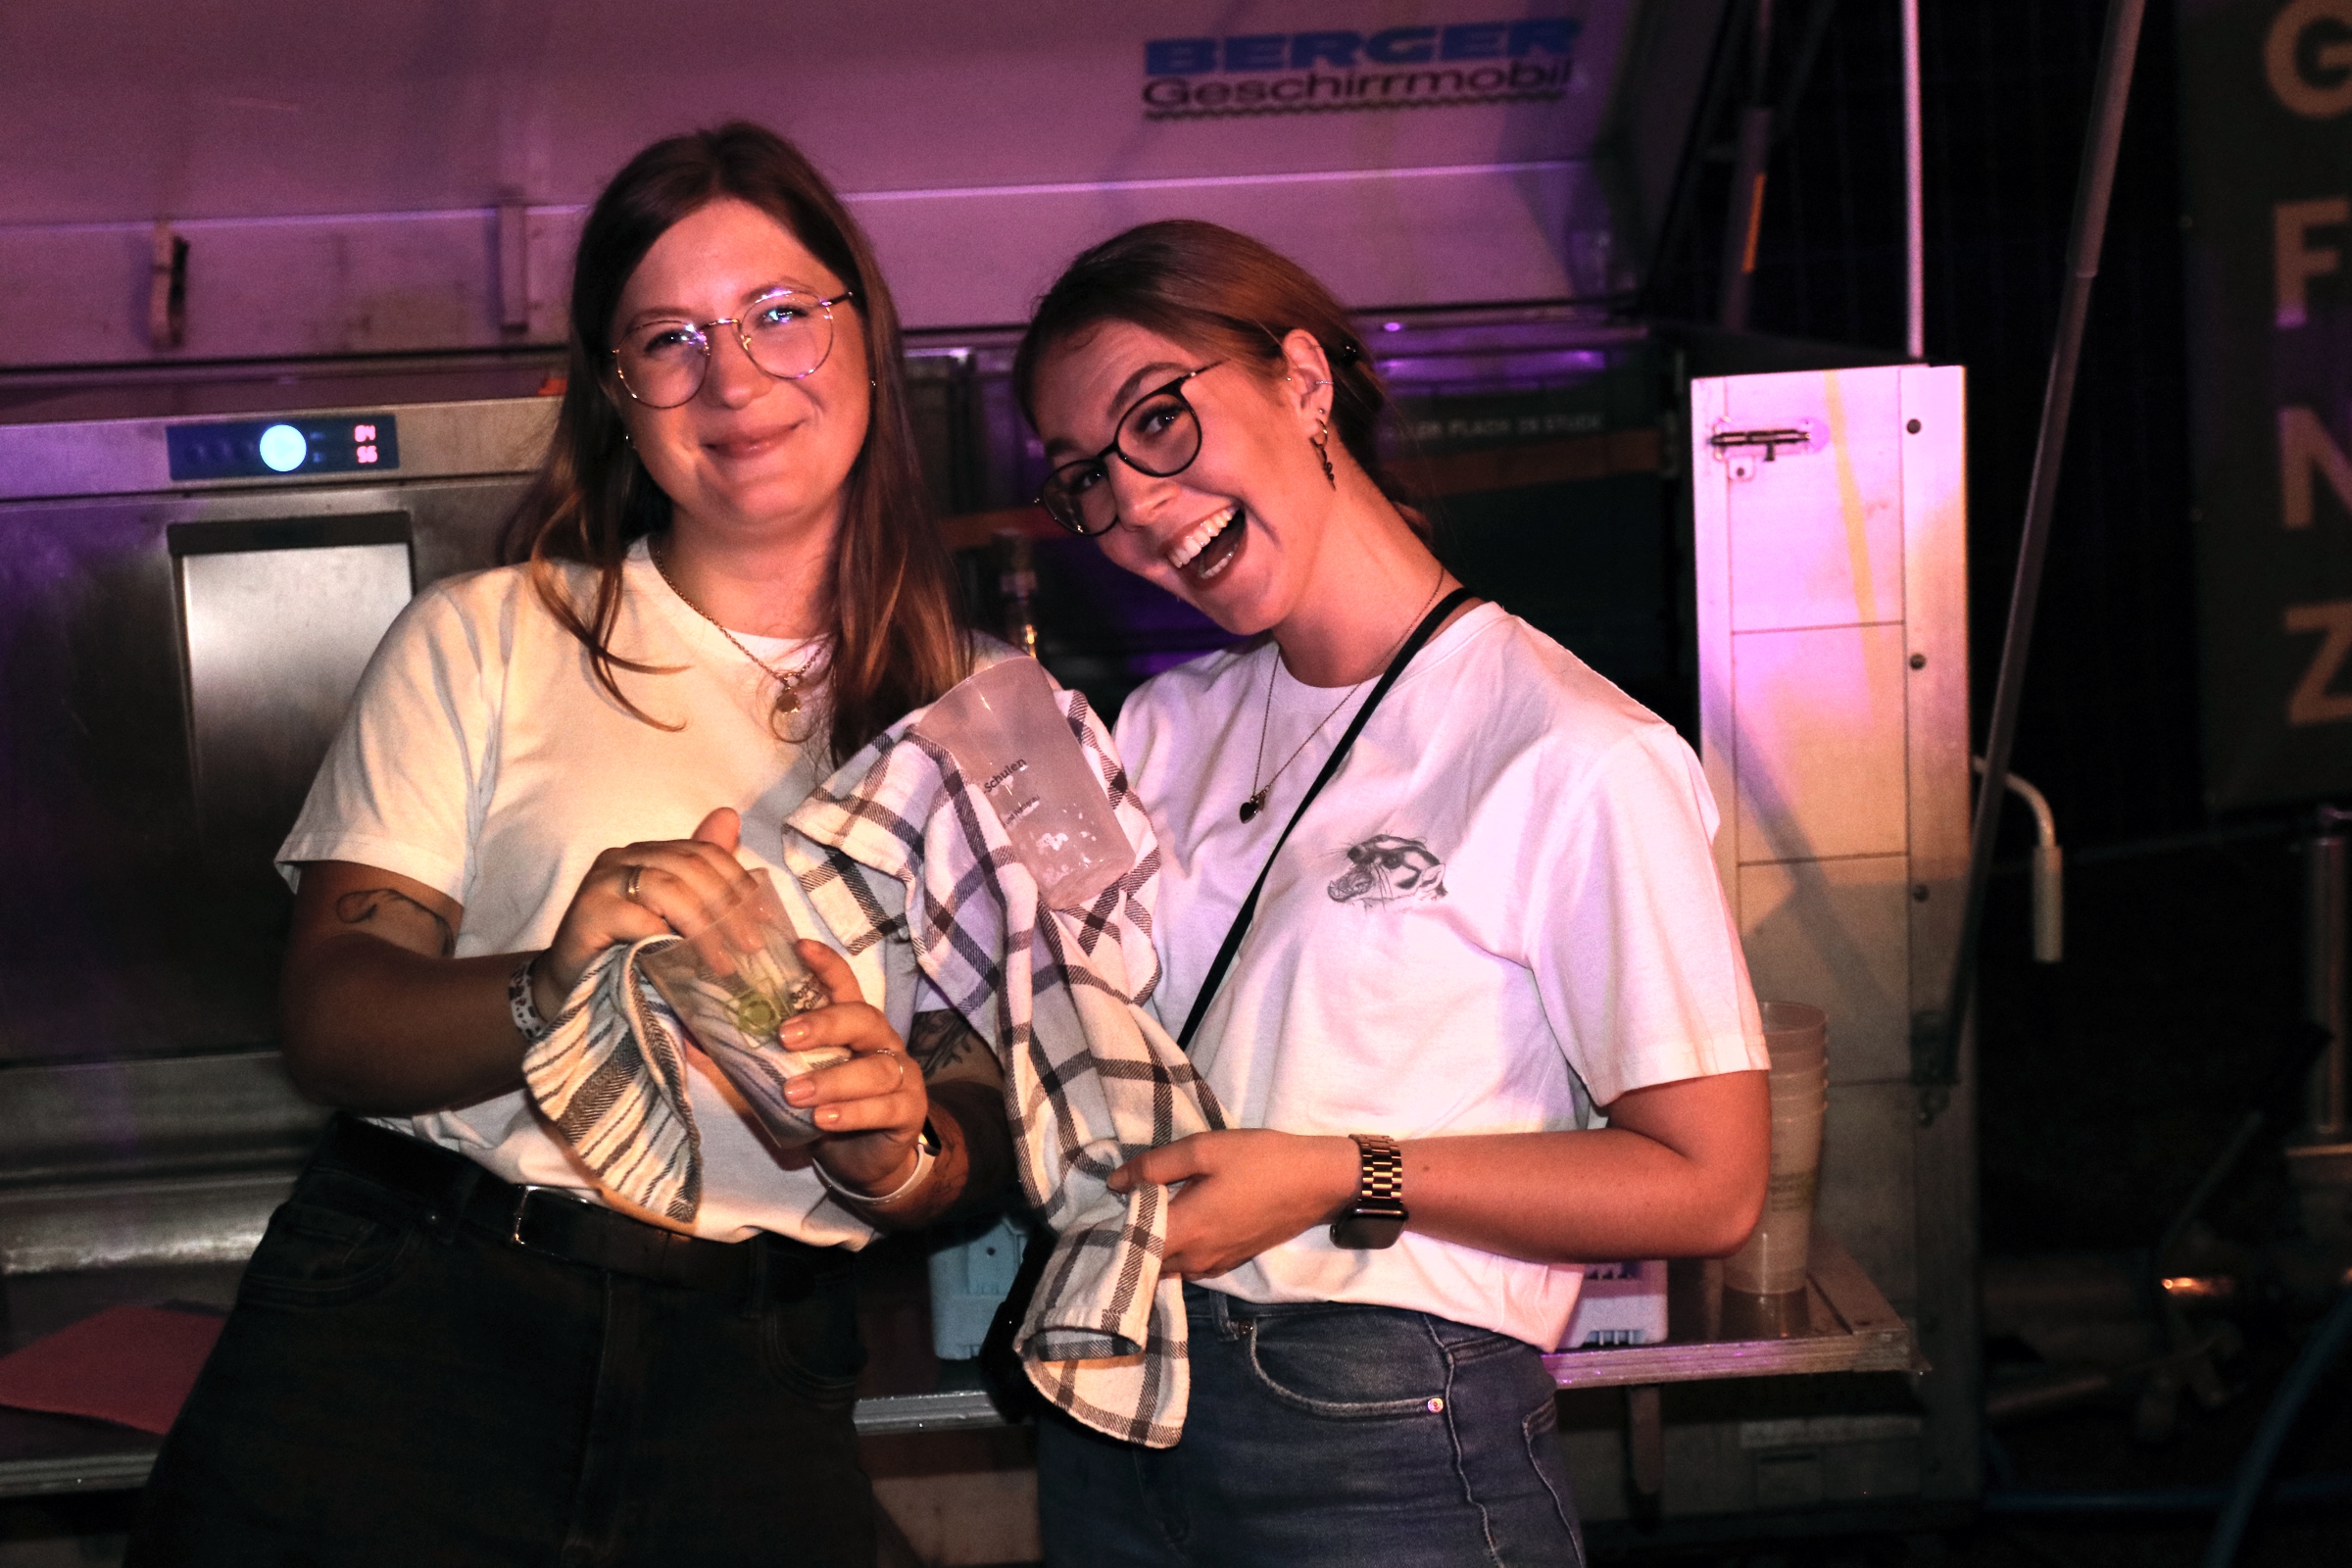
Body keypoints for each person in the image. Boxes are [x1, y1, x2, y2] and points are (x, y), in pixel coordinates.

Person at [126, 122, 1010, 1568]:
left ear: (865, 333)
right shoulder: (488, 639)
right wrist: (553, 981)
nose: (733, 378)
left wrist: (898, 1148)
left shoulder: (990, 717)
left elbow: (1001, 1097)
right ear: (617, 394)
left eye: (780, 313)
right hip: (416, 1331)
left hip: (751, 1375)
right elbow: (335, 1021)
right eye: (670, 340)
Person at [1012, 220, 1772, 1567]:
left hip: (1384, 1428)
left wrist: (1336, 1174)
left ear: (1304, 381)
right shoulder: (1159, 730)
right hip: (1122, 1405)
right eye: (1086, 477)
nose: (1133, 505)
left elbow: (1707, 1185)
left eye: (1157, 422)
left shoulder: (1572, 750)